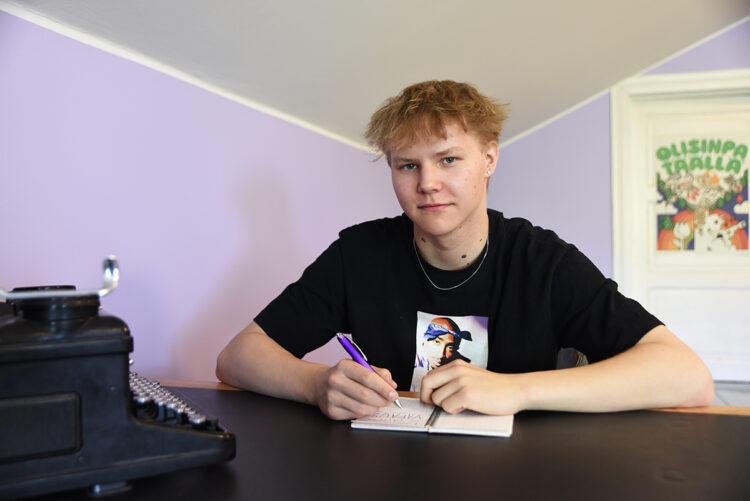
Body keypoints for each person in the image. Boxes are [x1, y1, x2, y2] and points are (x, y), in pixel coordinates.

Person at [216, 80, 714, 420]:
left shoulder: (543, 262)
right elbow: (238, 356)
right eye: (408, 165)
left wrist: (516, 389)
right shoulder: (358, 254)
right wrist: (316, 385)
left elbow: (688, 377)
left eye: (449, 159)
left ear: (489, 158)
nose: (428, 183)